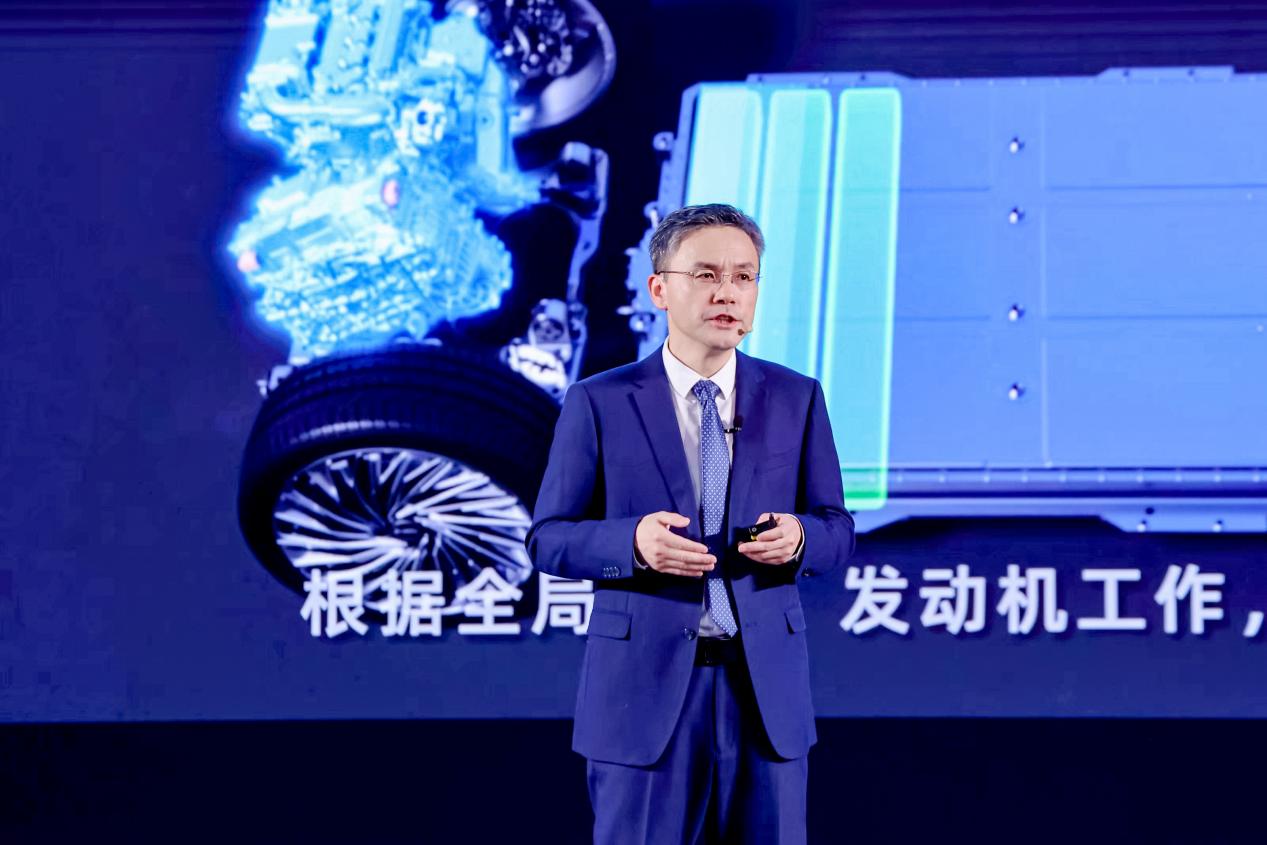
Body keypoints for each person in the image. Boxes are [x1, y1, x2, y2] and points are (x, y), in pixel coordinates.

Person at [526, 203, 855, 843]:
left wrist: (801, 538)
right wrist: (632, 543)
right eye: (706, 275)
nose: (727, 292)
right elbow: (548, 538)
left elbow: (836, 528)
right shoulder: (599, 400)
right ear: (659, 289)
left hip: (763, 693)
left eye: (744, 276)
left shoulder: (796, 397)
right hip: (642, 694)